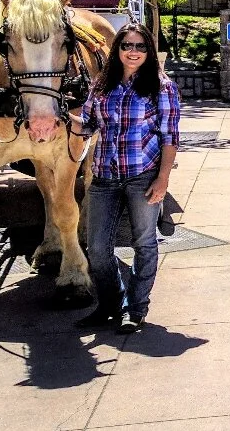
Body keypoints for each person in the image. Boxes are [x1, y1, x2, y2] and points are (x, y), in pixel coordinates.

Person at [71, 23, 180, 332]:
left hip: (142, 176)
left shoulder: (162, 86)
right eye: (127, 46)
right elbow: (89, 125)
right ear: (117, 50)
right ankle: (110, 305)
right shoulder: (101, 84)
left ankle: (136, 307)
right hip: (104, 176)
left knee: (144, 243)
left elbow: (170, 137)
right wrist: (64, 117)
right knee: (98, 249)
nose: (133, 52)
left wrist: (163, 180)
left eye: (140, 47)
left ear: (148, 52)